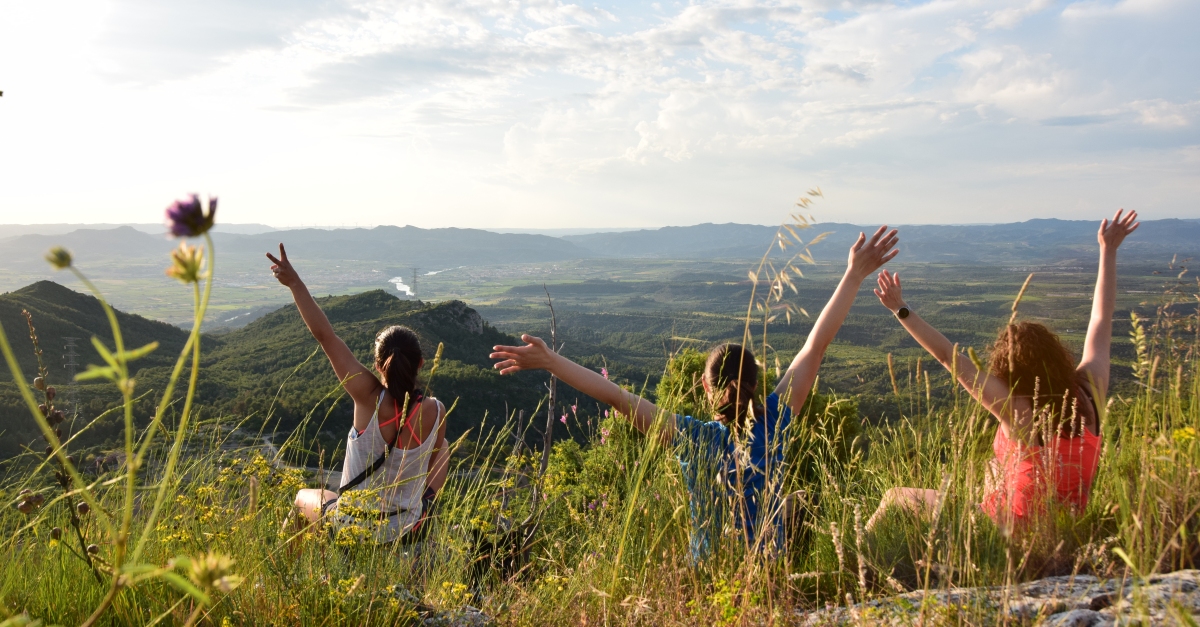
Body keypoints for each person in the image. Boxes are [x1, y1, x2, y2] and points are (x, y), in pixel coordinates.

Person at [490, 226, 899, 558]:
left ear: (704, 386)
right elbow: (816, 345)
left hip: (706, 579)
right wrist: (852, 275)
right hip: (767, 576)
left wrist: (550, 361)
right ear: (758, 384)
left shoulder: (692, 437)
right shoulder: (775, 419)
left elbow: (614, 395)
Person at [865, 210, 1140, 534]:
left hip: (1003, 533)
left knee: (897, 496)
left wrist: (901, 309)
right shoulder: (1089, 393)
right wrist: (1108, 251)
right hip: (1066, 533)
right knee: (993, 469)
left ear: (1009, 372)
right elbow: (1100, 320)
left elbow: (946, 357)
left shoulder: (1018, 412)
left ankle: (855, 566)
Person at [266, 243, 449, 544]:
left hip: (352, 526)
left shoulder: (367, 397)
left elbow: (326, 336)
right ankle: (424, 506)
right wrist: (424, 496)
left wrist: (295, 283)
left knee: (303, 497)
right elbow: (437, 455)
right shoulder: (437, 411)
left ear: (378, 364)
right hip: (404, 527)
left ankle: (279, 580)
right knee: (443, 447)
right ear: (421, 364)